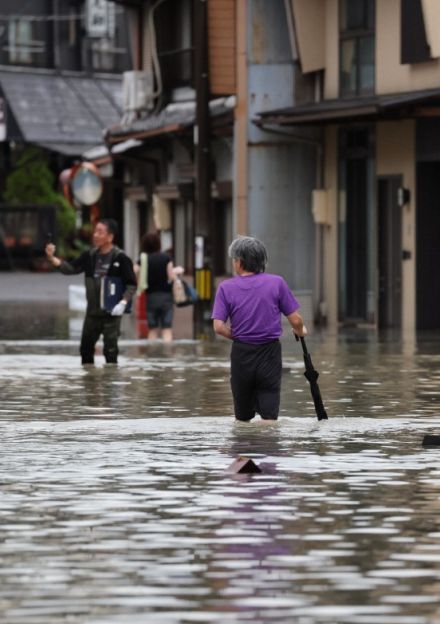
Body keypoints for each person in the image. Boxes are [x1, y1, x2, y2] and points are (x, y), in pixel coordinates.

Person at [211, 235, 307, 422]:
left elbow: (218, 327)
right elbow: (296, 320)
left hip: (241, 354)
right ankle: (268, 449)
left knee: (243, 419)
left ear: (239, 262)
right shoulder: (277, 283)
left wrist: (240, 336)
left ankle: (245, 450)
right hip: (269, 353)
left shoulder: (226, 288)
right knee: (269, 417)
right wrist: (300, 330)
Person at [45, 218, 137, 365]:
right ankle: (89, 383)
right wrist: (51, 258)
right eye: (95, 231)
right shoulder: (90, 256)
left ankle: (110, 383)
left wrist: (123, 302)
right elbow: (71, 268)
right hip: (92, 314)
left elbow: (131, 284)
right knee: (85, 350)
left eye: (100, 232)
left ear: (110, 237)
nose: (95, 235)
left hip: (111, 314)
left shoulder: (121, 258)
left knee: (110, 351)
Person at [136, 231, 176, 342]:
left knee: (152, 330)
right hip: (166, 297)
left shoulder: (143, 260)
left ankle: (151, 355)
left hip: (150, 298)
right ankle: (168, 355)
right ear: (158, 243)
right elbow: (171, 276)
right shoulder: (166, 258)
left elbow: (135, 273)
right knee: (167, 329)